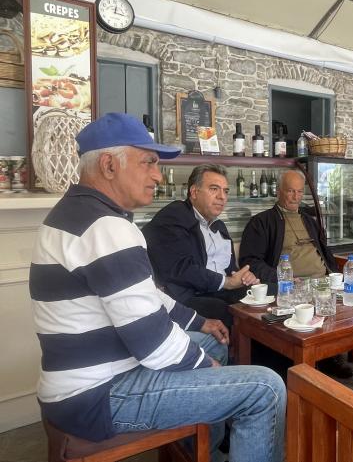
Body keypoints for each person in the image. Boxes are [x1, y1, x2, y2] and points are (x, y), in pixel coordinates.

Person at [29, 112, 285, 462]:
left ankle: (201, 451)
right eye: (148, 162)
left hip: (78, 384)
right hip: (99, 395)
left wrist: (199, 323)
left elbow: (148, 296)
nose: (158, 175)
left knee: (214, 338)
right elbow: (153, 345)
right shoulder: (107, 228)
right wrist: (208, 368)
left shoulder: (74, 214)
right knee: (266, 388)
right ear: (109, 165)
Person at [239, 169, 353, 378]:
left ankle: (329, 356)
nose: (295, 197)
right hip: (291, 287)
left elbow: (324, 252)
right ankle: (311, 362)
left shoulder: (309, 221)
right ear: (279, 191)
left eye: (300, 192)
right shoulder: (262, 222)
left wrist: (337, 275)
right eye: (290, 191)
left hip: (324, 282)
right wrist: (281, 278)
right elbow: (250, 261)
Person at [143, 164, 260, 328]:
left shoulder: (219, 226)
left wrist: (243, 277)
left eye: (225, 191)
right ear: (194, 192)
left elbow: (229, 269)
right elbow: (181, 269)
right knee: (227, 311)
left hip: (220, 291)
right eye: (214, 189)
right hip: (189, 296)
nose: (222, 197)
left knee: (264, 294)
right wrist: (227, 282)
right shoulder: (174, 216)